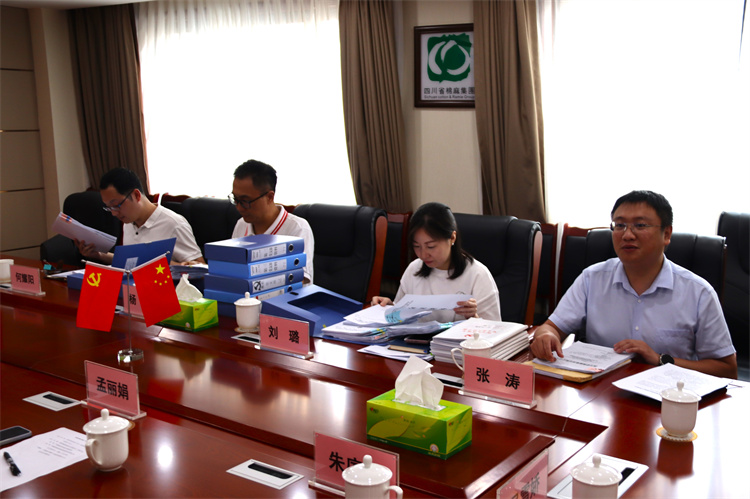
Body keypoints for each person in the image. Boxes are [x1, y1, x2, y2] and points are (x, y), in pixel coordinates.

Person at [531, 190, 737, 379]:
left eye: (640, 225)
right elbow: (551, 328)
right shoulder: (592, 279)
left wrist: (659, 359)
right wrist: (546, 335)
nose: (627, 235)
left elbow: (727, 370)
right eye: (620, 225)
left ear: (666, 234)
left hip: (669, 396)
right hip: (601, 393)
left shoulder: (698, 293)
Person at [371, 202, 501, 322]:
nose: (423, 254)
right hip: (415, 340)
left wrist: (473, 317)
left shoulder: (477, 275)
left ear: (452, 238)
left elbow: (495, 330)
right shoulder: (414, 269)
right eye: (417, 246)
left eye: (431, 246)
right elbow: (402, 312)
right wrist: (389, 306)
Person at [75, 168, 204, 265]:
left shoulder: (174, 224)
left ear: (136, 195)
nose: (114, 213)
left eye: (116, 205)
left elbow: (201, 269)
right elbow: (132, 261)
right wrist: (98, 255)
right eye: (109, 207)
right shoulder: (129, 222)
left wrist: (166, 264)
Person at [230, 159, 314, 283]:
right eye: (235, 199)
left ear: (270, 197)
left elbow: (300, 279)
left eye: (245, 201)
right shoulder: (241, 224)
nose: (239, 207)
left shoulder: (297, 228)